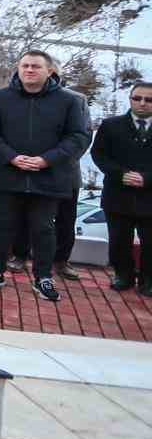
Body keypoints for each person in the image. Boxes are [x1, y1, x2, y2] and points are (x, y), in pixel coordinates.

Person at [0, 51, 92, 301]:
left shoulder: (69, 101)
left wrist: (46, 160)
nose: (29, 70)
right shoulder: (0, 97)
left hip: (49, 175)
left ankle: (43, 277)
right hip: (9, 173)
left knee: (43, 228)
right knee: (3, 225)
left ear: (49, 71)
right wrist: (11, 156)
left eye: (36, 66)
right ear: (18, 69)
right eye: (25, 66)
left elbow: (79, 136)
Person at [90, 82, 152, 294]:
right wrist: (121, 174)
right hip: (118, 194)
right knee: (118, 240)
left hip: (150, 195)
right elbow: (99, 155)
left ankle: (148, 281)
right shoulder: (110, 125)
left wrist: (146, 179)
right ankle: (123, 275)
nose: (142, 103)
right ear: (131, 99)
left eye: (148, 99)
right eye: (137, 98)